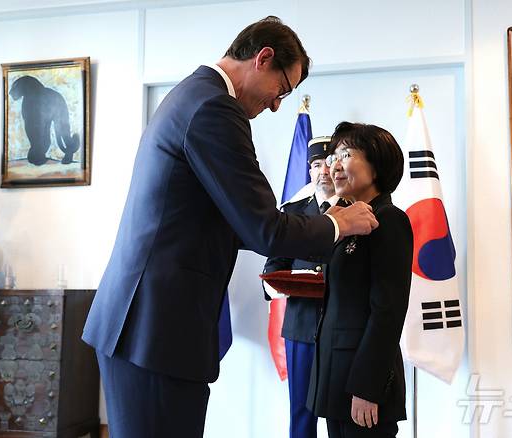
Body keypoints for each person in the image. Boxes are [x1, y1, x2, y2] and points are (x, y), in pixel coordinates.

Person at [81, 17, 378, 438]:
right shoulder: (215, 108)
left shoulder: (193, 94)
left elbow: (233, 222)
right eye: (282, 89)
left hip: (146, 325)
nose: (276, 105)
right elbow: (263, 229)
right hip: (154, 329)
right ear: (263, 58)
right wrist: (336, 223)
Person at [307, 122, 413, 438]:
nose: (334, 166)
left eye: (346, 154)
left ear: (376, 166)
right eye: (333, 157)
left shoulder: (389, 220)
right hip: (336, 377)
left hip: (364, 387)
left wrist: (368, 387)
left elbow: (388, 312)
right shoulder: (346, 221)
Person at [263, 135, 349, 438]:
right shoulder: (292, 213)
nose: (323, 171)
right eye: (316, 164)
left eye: (330, 162)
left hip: (343, 332)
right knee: (301, 414)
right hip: (301, 329)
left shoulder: (358, 209)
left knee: (342, 416)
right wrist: (284, 285)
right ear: (309, 170)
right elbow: (273, 267)